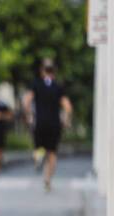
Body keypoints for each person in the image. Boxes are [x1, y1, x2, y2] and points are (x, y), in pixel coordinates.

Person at [23, 59, 73, 191]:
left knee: (39, 147)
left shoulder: (36, 84)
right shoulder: (58, 87)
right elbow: (68, 107)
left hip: (40, 123)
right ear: (54, 72)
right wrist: (66, 120)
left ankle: (38, 157)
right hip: (54, 124)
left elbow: (26, 101)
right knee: (52, 153)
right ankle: (47, 180)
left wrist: (29, 116)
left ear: (42, 71)